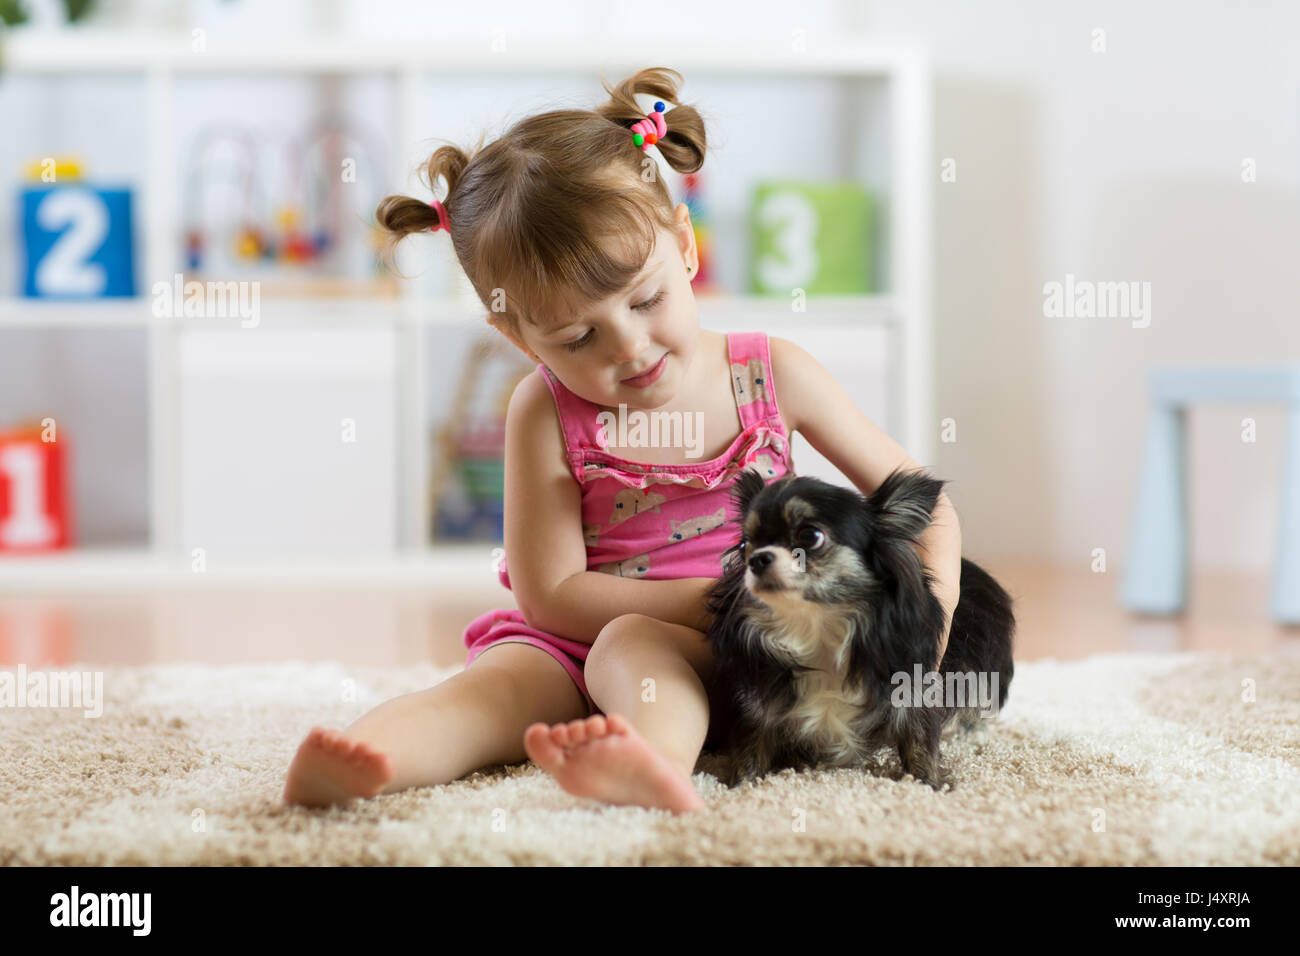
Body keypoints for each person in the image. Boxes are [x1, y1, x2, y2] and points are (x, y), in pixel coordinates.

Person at [283, 66, 963, 814]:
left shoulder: (771, 376)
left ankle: (653, 765)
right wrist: (720, 595)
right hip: (575, 643)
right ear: (516, 334)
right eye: (578, 337)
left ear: (685, 246)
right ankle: (367, 758)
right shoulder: (541, 412)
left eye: (647, 299)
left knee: (638, 648)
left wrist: (922, 640)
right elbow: (552, 597)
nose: (630, 347)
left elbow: (917, 501)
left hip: (758, 643)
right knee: (490, 691)